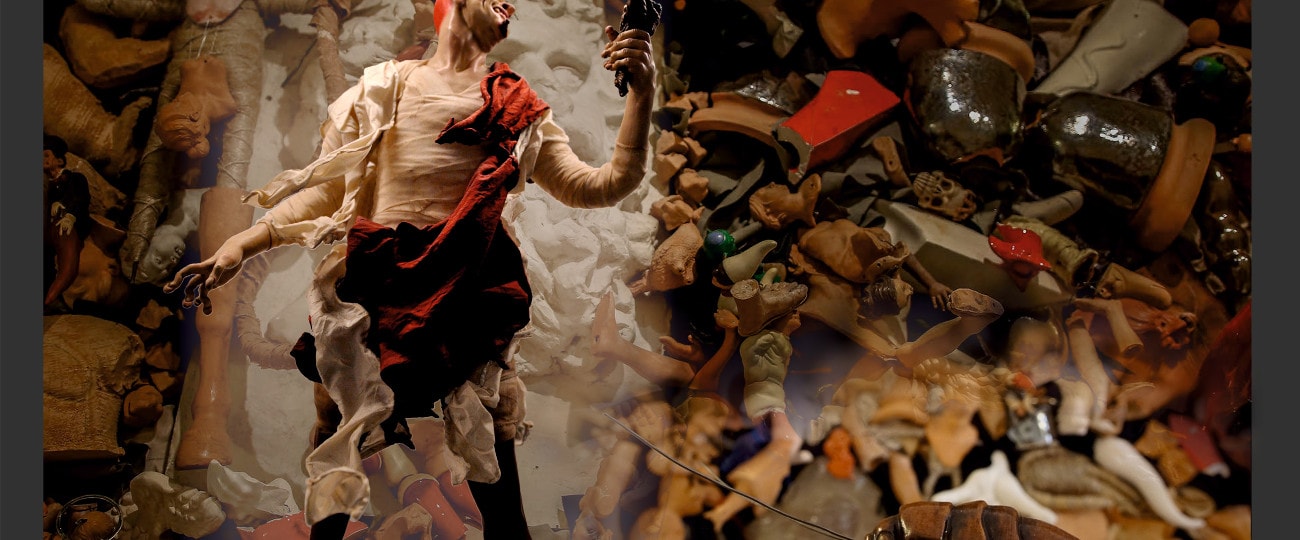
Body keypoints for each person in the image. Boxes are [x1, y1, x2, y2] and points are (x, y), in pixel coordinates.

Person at [164, 0, 656, 537]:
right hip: (372, 294)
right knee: (338, 445)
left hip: (469, 298)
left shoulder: (516, 105)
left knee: (495, 470)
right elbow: (328, 192)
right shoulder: (381, 90)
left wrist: (642, 94)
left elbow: (601, 185)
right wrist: (244, 242)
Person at [44, 135, 92, 310]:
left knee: (64, 236)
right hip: (47, 229)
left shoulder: (75, 178)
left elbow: (81, 198)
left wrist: (69, 213)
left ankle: (54, 293)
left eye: (46, 155)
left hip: (69, 224)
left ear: (59, 160)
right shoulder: (46, 184)